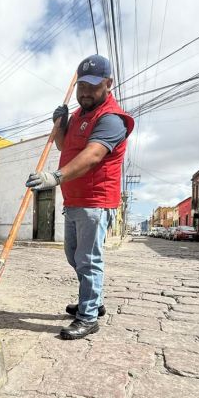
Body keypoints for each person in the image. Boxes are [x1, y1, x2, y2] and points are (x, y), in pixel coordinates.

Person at [26, 55, 134, 340]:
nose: (85, 92)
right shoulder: (77, 116)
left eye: (93, 86)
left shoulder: (111, 119)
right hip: (74, 201)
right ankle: (93, 300)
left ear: (108, 84)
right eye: (82, 86)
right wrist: (60, 124)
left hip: (95, 201)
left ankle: (88, 316)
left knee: (87, 259)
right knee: (74, 256)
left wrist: (55, 176)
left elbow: (93, 155)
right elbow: (64, 145)